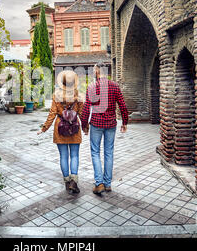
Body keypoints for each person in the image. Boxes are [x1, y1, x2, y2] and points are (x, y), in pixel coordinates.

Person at [80, 61, 129, 195]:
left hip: (96, 124)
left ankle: (99, 183)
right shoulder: (114, 86)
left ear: (97, 71)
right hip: (111, 124)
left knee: (95, 152)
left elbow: (85, 108)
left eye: (94, 71)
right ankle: (107, 184)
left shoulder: (92, 87)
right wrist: (125, 122)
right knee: (109, 152)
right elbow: (123, 106)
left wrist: (84, 125)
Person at [37, 70, 84, 193]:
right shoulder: (78, 94)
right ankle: (74, 181)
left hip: (60, 127)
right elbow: (82, 113)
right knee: (74, 155)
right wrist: (86, 128)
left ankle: (67, 182)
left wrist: (44, 128)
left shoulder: (56, 94)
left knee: (63, 156)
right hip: (74, 127)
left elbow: (52, 114)